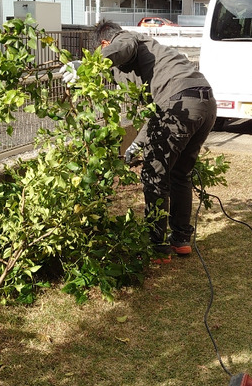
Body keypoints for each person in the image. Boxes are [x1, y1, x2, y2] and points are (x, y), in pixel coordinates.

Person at [88, 19, 216, 261]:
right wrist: (138, 140)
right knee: (180, 173)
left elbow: (125, 46)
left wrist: (90, 64)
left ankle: (156, 245)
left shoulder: (127, 38)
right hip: (204, 103)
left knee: (154, 174)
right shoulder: (155, 57)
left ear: (105, 43)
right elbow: (155, 110)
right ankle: (180, 240)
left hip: (178, 102)